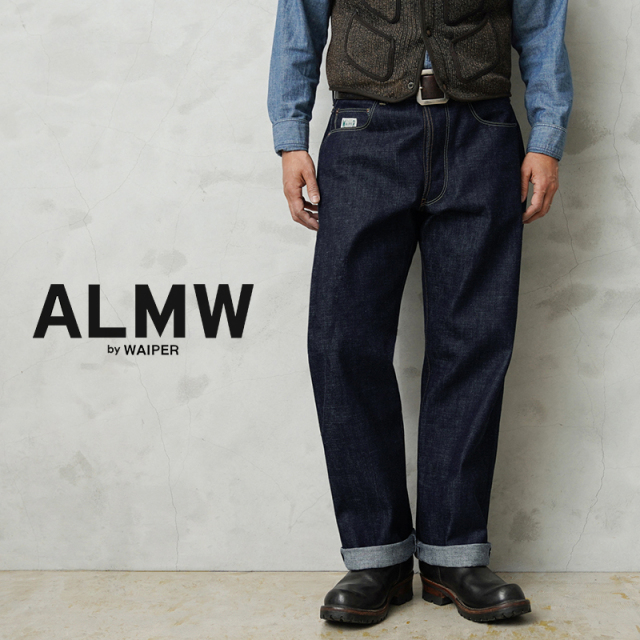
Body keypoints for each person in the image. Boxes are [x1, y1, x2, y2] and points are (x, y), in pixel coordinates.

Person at [267, 0, 572, 625]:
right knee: (342, 342)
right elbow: (300, 19)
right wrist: (290, 136)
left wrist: (547, 137)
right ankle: (375, 557)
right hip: (364, 132)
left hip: (482, 132)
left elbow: (542, 22)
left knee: (474, 343)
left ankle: (452, 555)